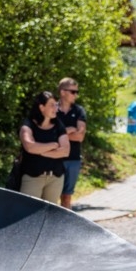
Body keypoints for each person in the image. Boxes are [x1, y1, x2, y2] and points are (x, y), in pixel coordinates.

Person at [18, 92, 69, 204]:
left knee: (50, 212)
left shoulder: (58, 125)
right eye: (52, 105)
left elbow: (65, 151)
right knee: (28, 210)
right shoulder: (28, 124)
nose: (56, 108)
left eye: (56, 104)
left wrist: (40, 151)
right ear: (41, 107)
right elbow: (30, 147)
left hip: (55, 178)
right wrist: (53, 145)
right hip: (32, 177)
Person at [55, 77, 87, 209]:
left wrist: (59, 134)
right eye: (73, 92)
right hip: (54, 158)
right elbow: (49, 135)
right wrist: (68, 130)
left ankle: (65, 221)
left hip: (73, 159)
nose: (76, 95)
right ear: (63, 92)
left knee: (66, 197)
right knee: (51, 196)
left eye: (77, 92)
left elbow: (80, 137)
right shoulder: (52, 109)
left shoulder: (79, 111)